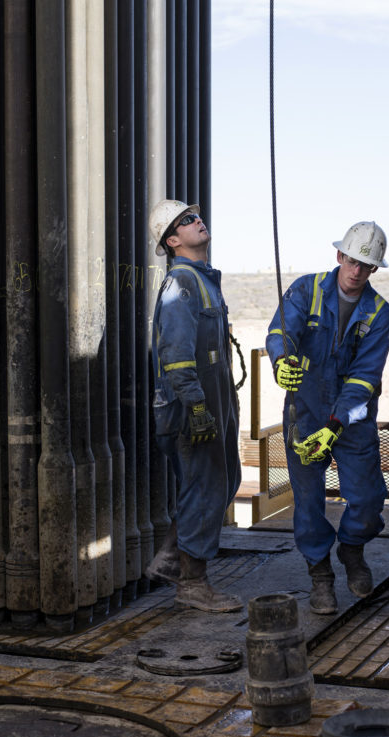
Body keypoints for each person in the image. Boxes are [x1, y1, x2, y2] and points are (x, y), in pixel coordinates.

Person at [265, 221, 389, 614]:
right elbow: (279, 332)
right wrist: (282, 360)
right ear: (340, 255)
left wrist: (336, 424)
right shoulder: (306, 289)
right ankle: (320, 573)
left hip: (351, 421)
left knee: (369, 500)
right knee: (308, 501)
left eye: (366, 265)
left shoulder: (380, 313)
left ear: (374, 270)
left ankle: (352, 550)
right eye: (352, 260)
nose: (356, 271)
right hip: (304, 412)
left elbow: (365, 378)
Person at [145, 199, 242, 613]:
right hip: (193, 406)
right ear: (172, 240)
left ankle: (171, 559)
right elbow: (177, 354)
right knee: (204, 489)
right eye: (186, 220)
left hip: (214, 400)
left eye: (196, 216)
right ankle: (193, 583)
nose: (196, 220)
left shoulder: (202, 280)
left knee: (222, 482)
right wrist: (198, 407)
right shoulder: (181, 284)